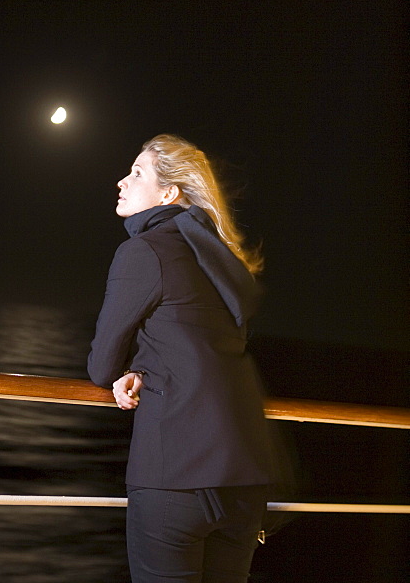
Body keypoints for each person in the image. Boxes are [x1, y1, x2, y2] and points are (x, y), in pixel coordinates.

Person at [88, 134, 275, 583]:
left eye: (136, 172)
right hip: (244, 479)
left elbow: (101, 366)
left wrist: (129, 368)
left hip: (174, 478)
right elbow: (195, 338)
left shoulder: (143, 252)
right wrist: (145, 363)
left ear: (169, 193)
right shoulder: (220, 260)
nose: (122, 181)